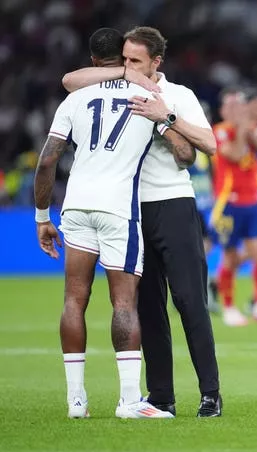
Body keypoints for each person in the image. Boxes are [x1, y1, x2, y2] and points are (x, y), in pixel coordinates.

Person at [62, 26, 222, 417]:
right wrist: (123, 76)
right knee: (147, 307)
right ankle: (161, 396)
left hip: (174, 205)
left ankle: (210, 394)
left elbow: (200, 150)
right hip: (130, 211)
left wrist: (163, 117)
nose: (128, 66)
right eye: (125, 59)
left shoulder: (178, 95)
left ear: (156, 62)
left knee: (189, 302)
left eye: (136, 60)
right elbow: (69, 81)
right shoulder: (112, 89)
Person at [35, 28, 180, 419]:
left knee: (73, 299)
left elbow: (47, 160)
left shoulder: (75, 97)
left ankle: (76, 401)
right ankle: (130, 401)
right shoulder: (146, 95)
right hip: (118, 209)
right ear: (124, 56)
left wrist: (41, 217)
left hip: (76, 207)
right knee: (124, 302)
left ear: (93, 60)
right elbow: (183, 150)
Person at [211, 87, 257, 327]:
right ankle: (229, 306)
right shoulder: (219, 132)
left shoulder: (252, 130)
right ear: (223, 110)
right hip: (228, 202)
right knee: (230, 257)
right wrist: (243, 129)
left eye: (239, 106)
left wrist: (253, 131)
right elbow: (235, 153)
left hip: (254, 201)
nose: (236, 111)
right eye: (231, 106)